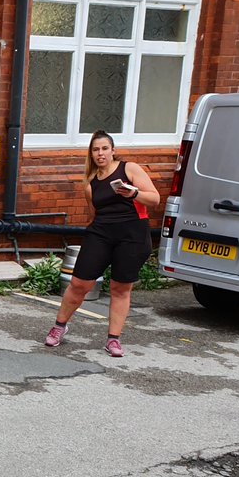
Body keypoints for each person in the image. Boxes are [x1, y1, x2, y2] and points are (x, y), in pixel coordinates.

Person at [43, 130, 160, 357]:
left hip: (132, 235)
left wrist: (133, 193)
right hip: (101, 233)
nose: (100, 153)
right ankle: (59, 326)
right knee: (79, 284)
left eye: (105, 148)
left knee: (120, 287)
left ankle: (113, 340)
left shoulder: (129, 169)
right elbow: (94, 214)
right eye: (96, 149)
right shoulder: (90, 184)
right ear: (91, 154)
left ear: (113, 150)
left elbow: (154, 199)